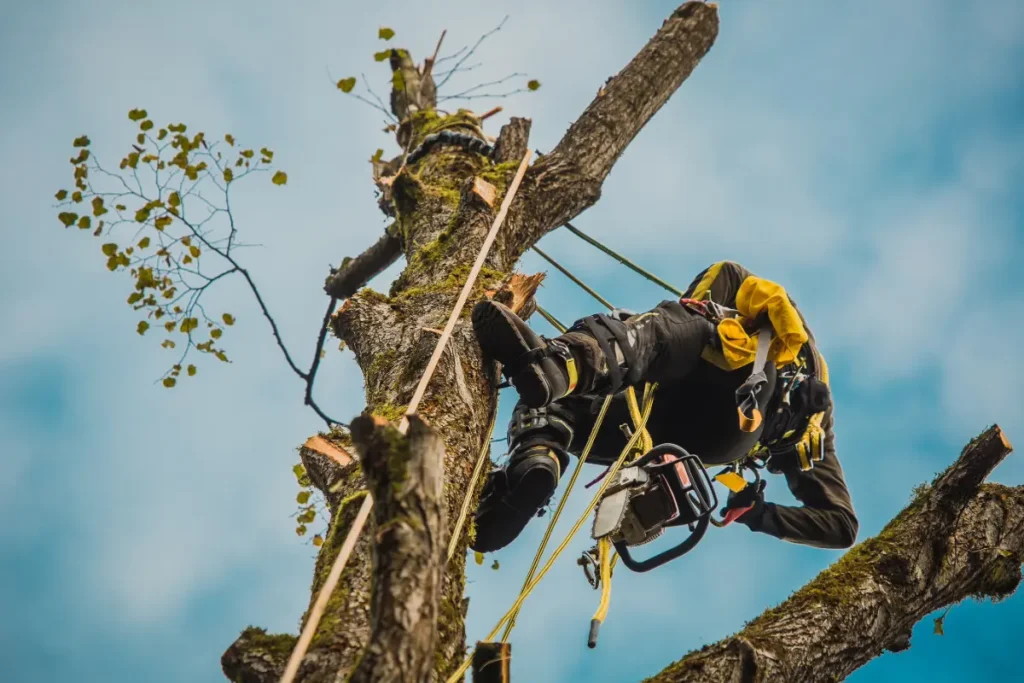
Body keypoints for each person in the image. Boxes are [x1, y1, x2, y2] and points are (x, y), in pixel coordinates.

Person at [469, 261, 858, 554]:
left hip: (734, 401)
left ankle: (565, 365)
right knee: (552, 402)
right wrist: (759, 514)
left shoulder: (765, 319)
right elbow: (841, 525)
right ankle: (534, 468)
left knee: (677, 327)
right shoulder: (818, 435)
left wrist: (665, 324)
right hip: (695, 439)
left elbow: (708, 291)